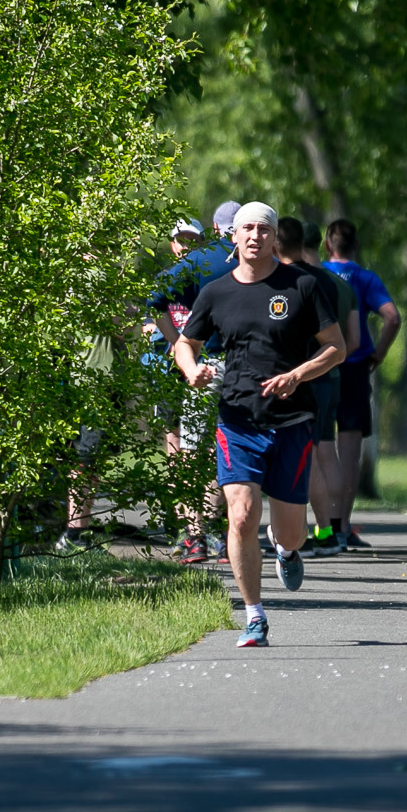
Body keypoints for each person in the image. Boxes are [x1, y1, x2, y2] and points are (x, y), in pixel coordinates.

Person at [169, 203, 346, 647]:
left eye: (263, 229)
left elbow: (336, 349)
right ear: (233, 236)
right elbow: (185, 343)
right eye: (246, 228)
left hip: (291, 420)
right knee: (241, 515)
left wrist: (297, 375)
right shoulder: (215, 293)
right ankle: (254, 615)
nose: (254, 236)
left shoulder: (302, 286)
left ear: (273, 238)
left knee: (292, 531)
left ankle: (285, 550)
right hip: (237, 420)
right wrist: (192, 371)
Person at [143, 211, 238, 565]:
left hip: (205, 368)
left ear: (213, 230)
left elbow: (154, 299)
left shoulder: (202, 261)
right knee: (232, 447)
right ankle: (225, 535)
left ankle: (199, 534)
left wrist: (178, 345)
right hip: (241, 369)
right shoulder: (263, 261)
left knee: (193, 449)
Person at [272, 215, 359, 555]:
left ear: (275, 244)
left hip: (299, 377)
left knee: (304, 454)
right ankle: (334, 528)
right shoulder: (336, 283)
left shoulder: (285, 282)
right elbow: (349, 339)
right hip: (332, 375)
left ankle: (316, 531)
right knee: (327, 449)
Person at [317, 219, 400, 553]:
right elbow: (392, 317)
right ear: (355, 247)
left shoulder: (315, 274)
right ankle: (342, 526)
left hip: (319, 367)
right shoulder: (365, 278)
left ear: (326, 244)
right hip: (353, 368)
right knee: (348, 452)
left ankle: (321, 524)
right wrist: (378, 354)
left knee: (320, 447)